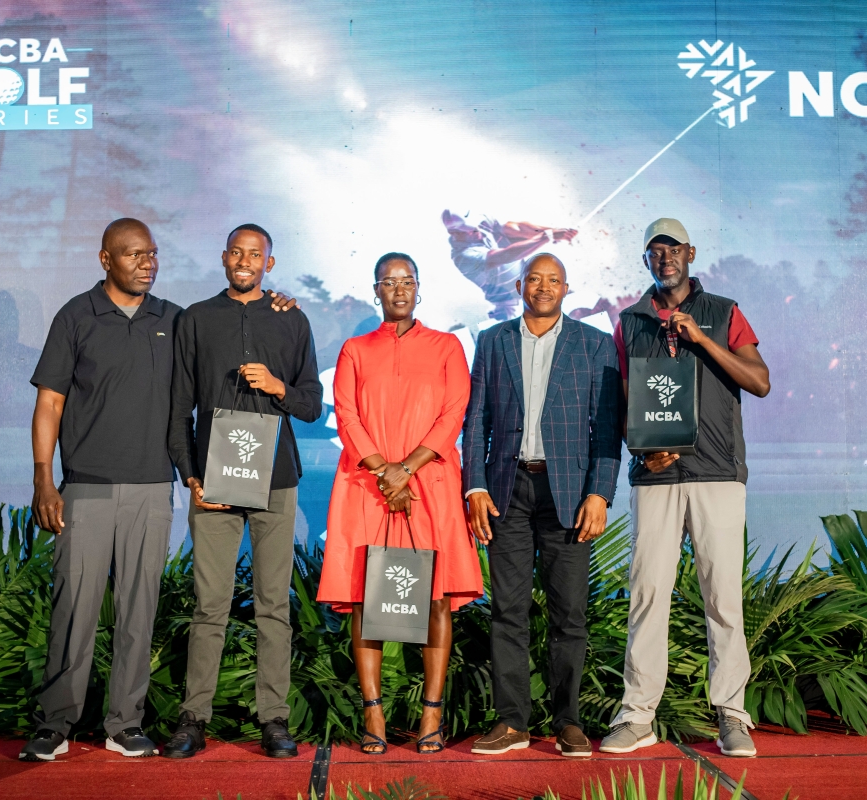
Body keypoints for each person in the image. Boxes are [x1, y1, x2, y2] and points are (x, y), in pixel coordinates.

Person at [600, 218, 770, 758]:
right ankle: (638, 714)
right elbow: (623, 402)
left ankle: (732, 716)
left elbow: (760, 381)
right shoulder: (630, 322)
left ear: (690, 253)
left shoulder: (723, 312)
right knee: (648, 593)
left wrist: (702, 340)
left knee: (723, 597)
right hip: (656, 476)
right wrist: (641, 448)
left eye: (672, 248)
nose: (663, 257)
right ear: (646, 261)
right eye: (654, 250)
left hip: (717, 471)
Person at [20, 219, 179, 761]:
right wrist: (45, 478)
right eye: (134, 254)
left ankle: (125, 722)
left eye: (152, 254)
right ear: (105, 259)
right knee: (75, 607)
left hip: (153, 487)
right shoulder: (76, 315)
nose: (146, 263)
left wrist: (275, 306)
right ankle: (55, 722)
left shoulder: (174, 320)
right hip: (85, 487)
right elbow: (50, 403)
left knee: (139, 608)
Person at [164, 224, 322, 759]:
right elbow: (178, 406)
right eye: (237, 251)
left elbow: (311, 404)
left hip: (276, 479)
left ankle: (274, 720)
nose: (245, 260)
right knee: (210, 605)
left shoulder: (292, 318)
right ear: (225, 257)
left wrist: (278, 386)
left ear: (269, 264)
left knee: (273, 606)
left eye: (256, 254)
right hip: (215, 482)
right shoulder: (196, 319)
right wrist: (191, 475)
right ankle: (193, 718)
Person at [317, 252, 483, 755]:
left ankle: (430, 715)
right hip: (367, 487)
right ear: (376, 291)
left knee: (435, 596)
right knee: (367, 599)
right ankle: (375, 717)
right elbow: (346, 415)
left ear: (418, 288)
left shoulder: (447, 346)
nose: (399, 289)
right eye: (389, 282)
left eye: (407, 280)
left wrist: (405, 469)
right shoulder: (354, 350)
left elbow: (454, 412)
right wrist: (384, 471)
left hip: (427, 486)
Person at [462, 253, 621, 757]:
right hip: (507, 491)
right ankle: (512, 722)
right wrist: (475, 486)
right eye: (536, 279)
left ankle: (567, 722)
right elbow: (476, 421)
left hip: (570, 495)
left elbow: (607, 428)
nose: (544, 287)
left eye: (554, 280)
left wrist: (600, 492)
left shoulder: (594, 345)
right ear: (519, 285)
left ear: (567, 288)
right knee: (508, 611)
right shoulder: (493, 341)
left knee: (569, 614)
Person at [442, 210, 578, 321]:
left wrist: (554, 231)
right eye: (471, 230)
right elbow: (506, 255)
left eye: (476, 226)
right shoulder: (462, 257)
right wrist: (547, 236)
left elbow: (518, 228)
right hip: (510, 307)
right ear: (454, 233)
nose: (477, 229)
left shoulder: (481, 221)